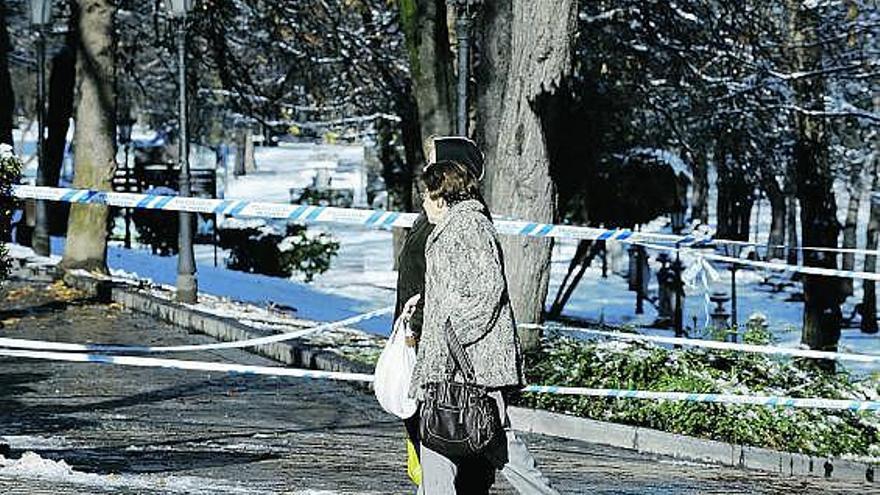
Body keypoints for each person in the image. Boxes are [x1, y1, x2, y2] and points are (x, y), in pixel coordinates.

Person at [396, 137, 559, 494]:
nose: (424, 202)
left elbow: (486, 293)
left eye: (429, 194)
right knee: (438, 445)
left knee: (500, 447)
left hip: (471, 365)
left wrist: (448, 333)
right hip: (451, 365)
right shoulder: (451, 226)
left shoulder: (468, 226)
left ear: (444, 194)